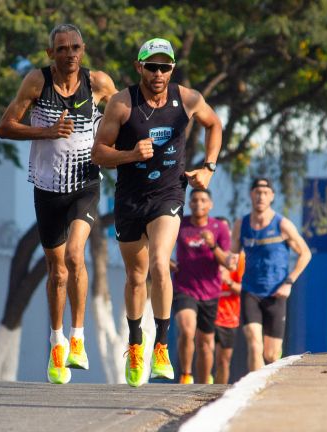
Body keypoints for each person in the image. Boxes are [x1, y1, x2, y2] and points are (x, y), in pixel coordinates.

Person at [92, 38, 223, 387]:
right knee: (136, 276)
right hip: (131, 198)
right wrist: (131, 154)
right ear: (140, 68)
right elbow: (99, 153)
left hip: (169, 193)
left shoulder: (188, 98)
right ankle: (137, 343)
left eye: (165, 67)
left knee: (160, 263)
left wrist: (209, 166)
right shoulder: (121, 104)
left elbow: (215, 125)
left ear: (172, 69)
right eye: (152, 66)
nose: (159, 73)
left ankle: (161, 346)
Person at [0, 23, 117, 384]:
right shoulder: (37, 82)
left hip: (85, 184)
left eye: (75, 47)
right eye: (61, 48)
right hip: (47, 189)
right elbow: (5, 127)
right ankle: (57, 342)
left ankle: (78, 338)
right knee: (57, 270)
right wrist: (45, 132)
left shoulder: (98, 83)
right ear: (51, 54)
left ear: (83, 49)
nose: (69, 54)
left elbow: (124, 116)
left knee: (75, 256)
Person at [229, 177, 312, 371]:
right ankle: (254, 393)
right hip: (250, 291)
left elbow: (305, 253)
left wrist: (289, 282)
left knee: (271, 354)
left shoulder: (282, 224)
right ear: (251, 195)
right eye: (257, 192)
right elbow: (233, 255)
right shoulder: (241, 224)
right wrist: (224, 257)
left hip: (276, 292)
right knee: (254, 344)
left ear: (272, 196)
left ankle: (270, 392)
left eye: (265, 193)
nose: (261, 197)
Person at [171, 189, 230, 384]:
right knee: (187, 330)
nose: (198, 203)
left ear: (210, 204)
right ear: (189, 203)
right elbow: (160, 245)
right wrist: (168, 262)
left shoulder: (219, 227)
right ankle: (186, 375)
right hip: (184, 288)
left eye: (203, 200)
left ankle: (203, 386)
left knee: (206, 344)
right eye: (194, 200)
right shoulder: (180, 224)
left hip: (210, 292)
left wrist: (213, 245)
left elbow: (227, 262)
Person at [213, 216, 245, 385]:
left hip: (228, 317)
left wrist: (228, 281)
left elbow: (245, 290)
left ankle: (218, 394)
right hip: (206, 312)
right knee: (204, 353)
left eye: (225, 231)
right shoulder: (205, 253)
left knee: (223, 361)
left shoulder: (239, 259)